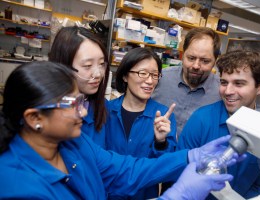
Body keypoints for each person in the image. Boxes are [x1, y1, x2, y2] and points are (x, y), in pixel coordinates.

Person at [0, 61, 238, 199]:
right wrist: (178, 196)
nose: (83, 112)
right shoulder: (16, 186)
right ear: (34, 118)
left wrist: (189, 156)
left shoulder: (74, 144)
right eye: (72, 105)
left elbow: (128, 170)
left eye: (81, 102)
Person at [177, 50, 260, 199]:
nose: (228, 91)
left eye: (239, 83)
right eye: (224, 82)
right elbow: (178, 170)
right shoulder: (201, 119)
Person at [102, 47, 177, 199]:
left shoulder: (163, 116)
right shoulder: (106, 111)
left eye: (155, 75)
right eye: (142, 73)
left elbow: (166, 168)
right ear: (125, 76)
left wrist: (161, 142)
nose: (150, 81)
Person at [152, 27, 222, 136]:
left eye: (205, 61)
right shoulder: (160, 77)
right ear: (182, 55)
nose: (196, 66)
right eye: (191, 58)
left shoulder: (222, 92)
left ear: (215, 62)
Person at [49, 26, 109, 148]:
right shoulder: (51, 113)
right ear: (63, 65)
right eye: (87, 65)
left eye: (102, 64)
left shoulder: (102, 106)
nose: (98, 74)